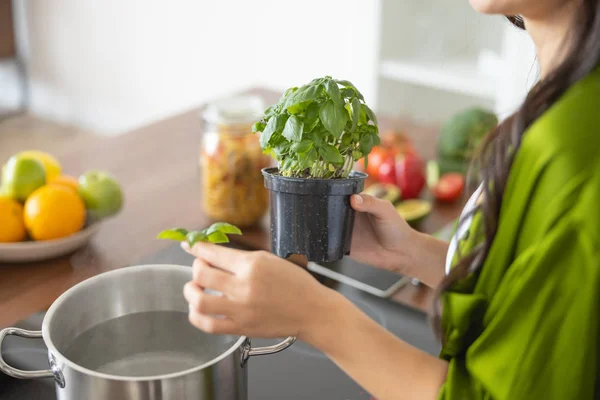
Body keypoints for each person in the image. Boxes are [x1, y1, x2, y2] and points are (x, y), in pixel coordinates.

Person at [182, 0, 600, 398]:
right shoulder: (570, 100)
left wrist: (315, 314)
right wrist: (416, 254)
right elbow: (532, 295)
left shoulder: (575, 151)